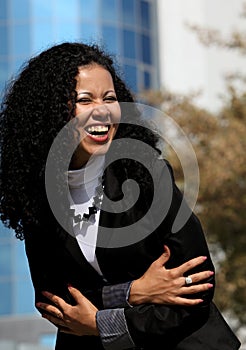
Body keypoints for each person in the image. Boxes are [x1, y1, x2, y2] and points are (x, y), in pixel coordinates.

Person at [0, 42, 240, 350]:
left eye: (109, 98)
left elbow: (197, 285)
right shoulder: (40, 196)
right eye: (84, 100)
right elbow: (53, 300)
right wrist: (133, 292)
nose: (101, 111)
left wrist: (101, 325)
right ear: (50, 112)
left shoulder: (145, 175)